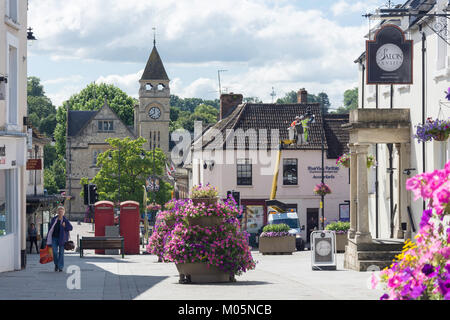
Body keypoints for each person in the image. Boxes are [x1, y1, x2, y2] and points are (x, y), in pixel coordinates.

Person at [47, 206, 73, 272]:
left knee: (61, 253)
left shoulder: (65, 220)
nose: (60, 212)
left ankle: (60, 267)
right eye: (59, 211)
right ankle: (56, 264)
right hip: (54, 238)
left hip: (62, 239)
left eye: (61, 211)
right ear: (57, 212)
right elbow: (50, 228)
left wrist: (65, 226)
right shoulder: (54, 219)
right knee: (54, 252)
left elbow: (70, 228)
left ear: (64, 212)